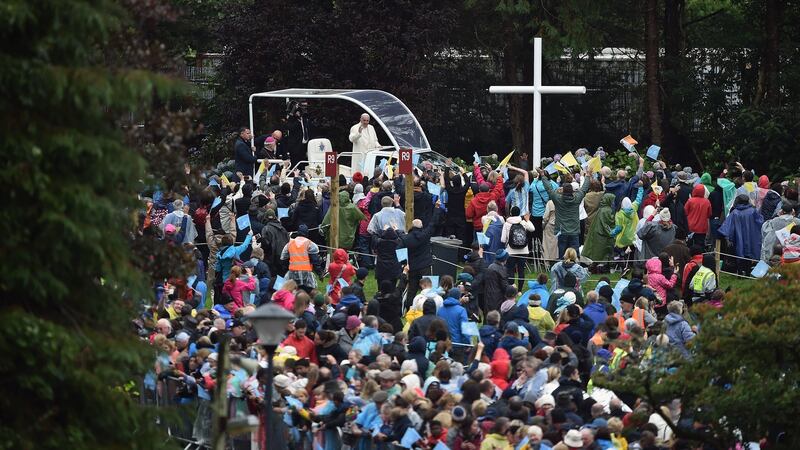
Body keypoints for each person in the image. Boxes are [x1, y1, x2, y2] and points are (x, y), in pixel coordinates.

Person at [537, 167, 591, 257]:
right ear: (573, 191)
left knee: (562, 254)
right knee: (574, 254)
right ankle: (575, 268)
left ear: (562, 191)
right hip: (574, 230)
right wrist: (588, 175)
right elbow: (584, 188)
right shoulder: (577, 199)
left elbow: (549, 189)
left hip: (562, 231)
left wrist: (543, 175)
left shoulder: (557, 199)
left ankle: (563, 268)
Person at [401, 202, 442, 309]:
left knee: (412, 289)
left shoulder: (406, 238)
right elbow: (433, 223)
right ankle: (432, 305)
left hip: (413, 266)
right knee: (429, 287)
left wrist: (403, 263)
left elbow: (398, 249)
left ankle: (409, 308)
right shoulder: (425, 234)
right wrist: (437, 208)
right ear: (421, 226)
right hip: (425, 265)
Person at [718, 194, 764, 274]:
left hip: (739, 237)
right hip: (751, 237)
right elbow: (760, 222)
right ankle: (748, 271)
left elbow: (727, 226)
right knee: (749, 254)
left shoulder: (735, 213)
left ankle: (740, 271)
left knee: (740, 252)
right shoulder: (752, 211)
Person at [501, 208, 535, 290]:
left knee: (511, 271)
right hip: (523, 251)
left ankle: (511, 288)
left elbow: (502, 239)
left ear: (510, 213)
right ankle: (520, 290)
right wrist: (528, 220)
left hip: (511, 251)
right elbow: (532, 229)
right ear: (520, 213)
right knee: (521, 271)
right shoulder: (523, 223)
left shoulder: (506, 224)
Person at [281, 224, 320, 291]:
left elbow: (283, 258)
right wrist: (320, 272)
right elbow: (315, 260)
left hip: (292, 271)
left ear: (297, 233)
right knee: (311, 290)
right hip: (306, 271)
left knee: (289, 290)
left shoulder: (289, 244)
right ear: (307, 233)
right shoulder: (310, 244)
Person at [582, 193, 616, 264]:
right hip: (602, 234)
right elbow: (608, 223)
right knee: (603, 252)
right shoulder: (607, 210)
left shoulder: (602, 209)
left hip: (598, 232)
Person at [684, 183, 712, 249]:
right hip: (702, 227)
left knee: (689, 244)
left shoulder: (690, 201)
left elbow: (685, 212)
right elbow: (709, 214)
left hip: (691, 226)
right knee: (700, 245)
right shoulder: (707, 202)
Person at [483, 249, 510, 313]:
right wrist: (512, 288)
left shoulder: (490, 266)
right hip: (498, 297)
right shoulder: (501, 269)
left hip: (488, 295)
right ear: (504, 259)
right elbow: (504, 286)